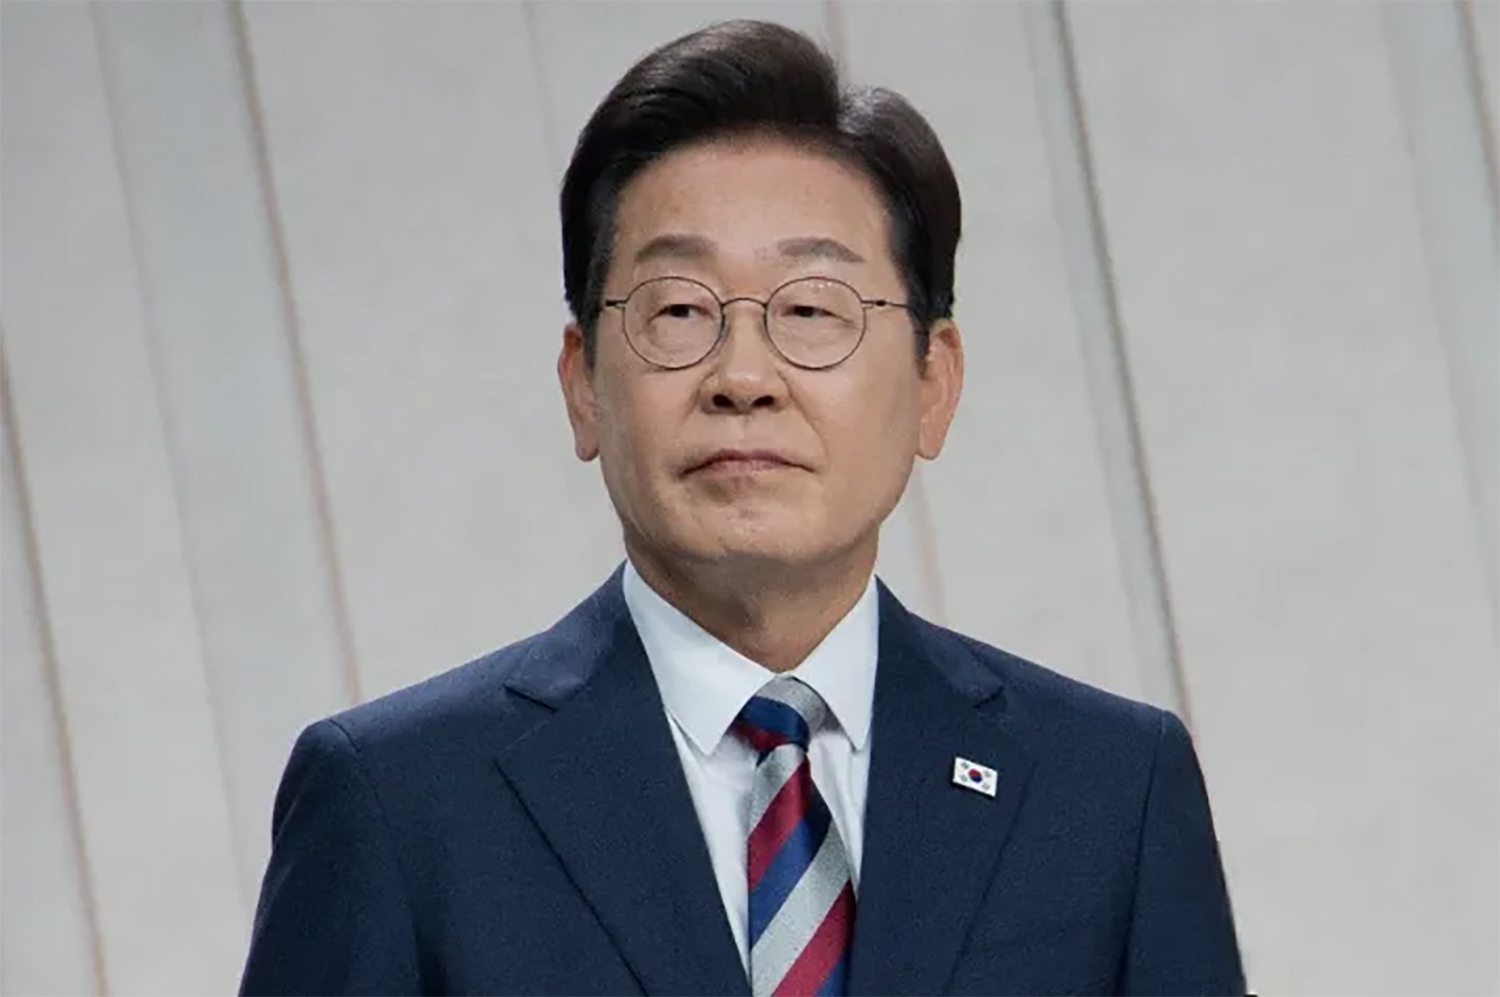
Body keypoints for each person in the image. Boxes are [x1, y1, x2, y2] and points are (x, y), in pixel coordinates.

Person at [240, 19, 1244, 997]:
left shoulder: (1108, 791)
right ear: (582, 383)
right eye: (680, 311)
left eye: (811, 310)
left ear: (933, 383)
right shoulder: (400, 803)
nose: (744, 377)